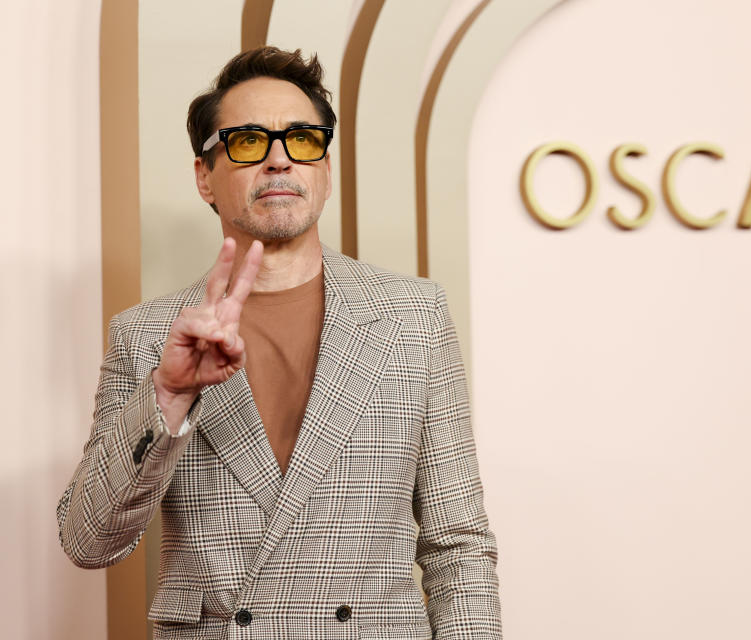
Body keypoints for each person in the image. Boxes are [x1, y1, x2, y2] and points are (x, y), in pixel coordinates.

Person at [57, 46, 501, 639]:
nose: (278, 160)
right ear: (204, 177)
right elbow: (88, 541)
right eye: (247, 141)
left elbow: (459, 545)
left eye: (302, 139)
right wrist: (167, 394)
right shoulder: (144, 335)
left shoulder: (412, 317)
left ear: (325, 169)